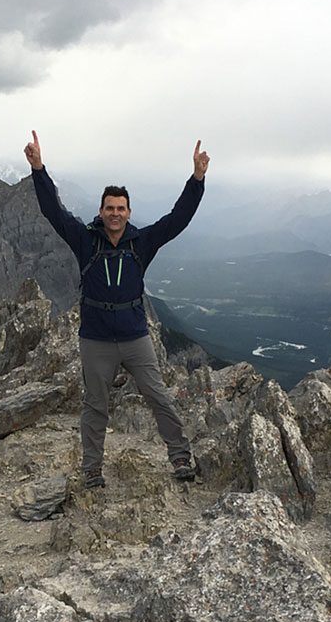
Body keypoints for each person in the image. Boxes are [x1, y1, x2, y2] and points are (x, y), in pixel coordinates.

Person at [24, 130, 208, 488]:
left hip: (135, 336)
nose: (115, 214)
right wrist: (38, 170)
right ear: (101, 211)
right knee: (96, 406)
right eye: (109, 208)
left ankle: (180, 455)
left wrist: (197, 180)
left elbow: (177, 219)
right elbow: (53, 212)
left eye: (121, 208)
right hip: (95, 340)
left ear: (128, 212)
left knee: (157, 396)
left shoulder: (142, 243)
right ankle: (92, 468)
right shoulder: (84, 241)